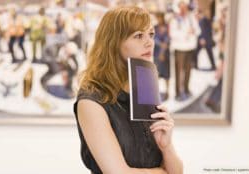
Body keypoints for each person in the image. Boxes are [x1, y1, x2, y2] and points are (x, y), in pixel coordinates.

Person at [74, 6, 183, 174]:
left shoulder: (147, 89)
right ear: (114, 42)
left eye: (151, 34)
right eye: (138, 35)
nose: (149, 42)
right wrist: (161, 172)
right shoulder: (91, 100)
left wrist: (166, 146)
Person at [169, 1, 200, 101]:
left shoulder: (191, 18)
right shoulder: (174, 19)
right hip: (179, 49)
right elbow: (172, 34)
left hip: (190, 48)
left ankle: (186, 89)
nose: (183, 9)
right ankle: (178, 93)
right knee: (178, 72)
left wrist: (194, 31)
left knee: (188, 70)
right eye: (181, 7)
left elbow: (198, 30)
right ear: (178, 8)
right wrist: (186, 34)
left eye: (185, 7)